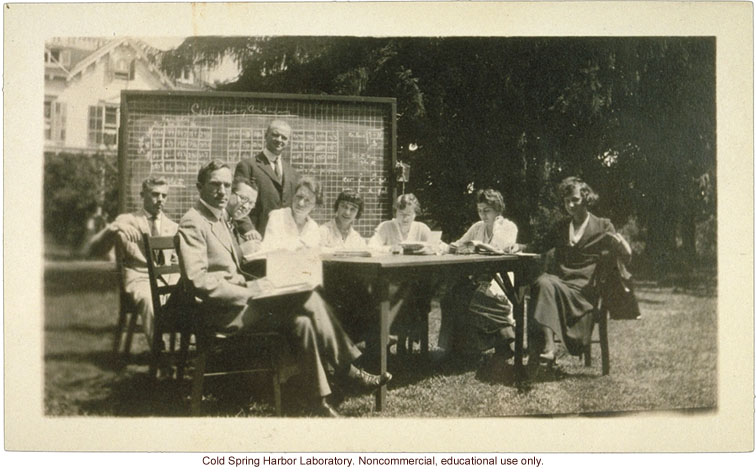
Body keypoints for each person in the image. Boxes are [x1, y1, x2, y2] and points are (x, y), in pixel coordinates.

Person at [177, 160, 389, 417]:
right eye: (215, 184)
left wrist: (256, 283)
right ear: (200, 186)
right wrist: (251, 289)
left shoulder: (218, 218)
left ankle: (319, 401)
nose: (222, 191)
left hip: (238, 303)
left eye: (226, 185)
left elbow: (229, 271)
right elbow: (198, 280)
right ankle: (349, 370)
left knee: (303, 321)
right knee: (308, 298)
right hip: (220, 313)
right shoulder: (193, 221)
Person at [525, 177, 631, 367]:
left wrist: (622, 247)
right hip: (561, 284)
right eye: (566, 201)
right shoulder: (561, 227)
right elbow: (538, 246)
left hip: (584, 291)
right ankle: (548, 349)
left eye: (575, 199)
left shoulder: (602, 226)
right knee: (542, 282)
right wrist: (515, 247)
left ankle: (546, 351)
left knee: (543, 283)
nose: (570, 205)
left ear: (586, 199)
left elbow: (624, 257)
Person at [87, 176, 177, 343]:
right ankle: (160, 353)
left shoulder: (173, 227)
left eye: (164, 196)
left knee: (195, 300)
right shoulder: (128, 220)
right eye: (155, 194)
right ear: (142, 195)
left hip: (166, 280)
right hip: (140, 279)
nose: (160, 200)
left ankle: (191, 356)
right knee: (151, 301)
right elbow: (93, 248)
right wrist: (115, 227)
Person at [438, 189, 518, 359]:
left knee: (476, 298)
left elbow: (502, 249)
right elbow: (459, 244)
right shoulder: (477, 227)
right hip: (477, 278)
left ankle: (504, 337)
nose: (483, 215)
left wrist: (485, 239)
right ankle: (455, 348)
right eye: (480, 210)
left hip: (500, 278)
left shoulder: (508, 227)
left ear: (497, 209)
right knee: (450, 296)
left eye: (487, 210)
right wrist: (444, 247)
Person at [234, 119, 300, 236]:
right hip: (256, 235)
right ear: (266, 135)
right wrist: (249, 229)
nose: (279, 140)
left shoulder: (292, 172)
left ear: (288, 141)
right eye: (275, 135)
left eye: (284, 137)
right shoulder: (248, 166)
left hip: (284, 239)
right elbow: (237, 203)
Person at [260, 175, 322, 251]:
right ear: (293, 196)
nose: (301, 203)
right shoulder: (277, 217)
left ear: (314, 206)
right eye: (299, 196)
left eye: (307, 200)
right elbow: (268, 248)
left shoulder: (313, 228)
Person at [368, 193, 433, 251]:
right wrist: (389, 249)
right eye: (401, 214)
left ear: (415, 214)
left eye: (409, 214)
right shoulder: (385, 227)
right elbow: (371, 247)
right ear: (395, 213)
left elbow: (439, 246)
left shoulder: (421, 228)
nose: (405, 218)